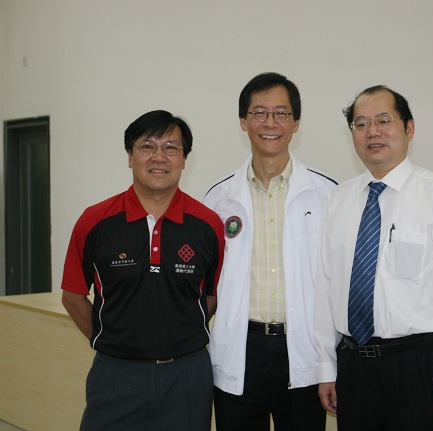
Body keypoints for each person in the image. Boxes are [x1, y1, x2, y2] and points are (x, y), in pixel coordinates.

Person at [315, 85, 433, 430]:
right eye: (361, 124)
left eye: (384, 120)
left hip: (417, 367)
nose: (372, 131)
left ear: (409, 128)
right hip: (353, 367)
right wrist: (326, 366)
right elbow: (325, 288)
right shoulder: (339, 199)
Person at [61, 110, 225, 431]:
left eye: (171, 147)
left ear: (184, 159)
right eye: (147, 146)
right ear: (130, 156)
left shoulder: (208, 224)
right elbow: (73, 295)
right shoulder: (94, 221)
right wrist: (109, 340)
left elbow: (212, 294)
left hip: (187, 377)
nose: (159, 157)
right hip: (115, 375)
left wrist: (178, 334)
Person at [204, 72, 336, 431]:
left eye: (281, 113)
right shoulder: (218, 199)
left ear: (296, 122)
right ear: (243, 121)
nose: (270, 123)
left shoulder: (328, 195)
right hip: (240, 348)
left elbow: (339, 282)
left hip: (304, 349)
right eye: (259, 113)